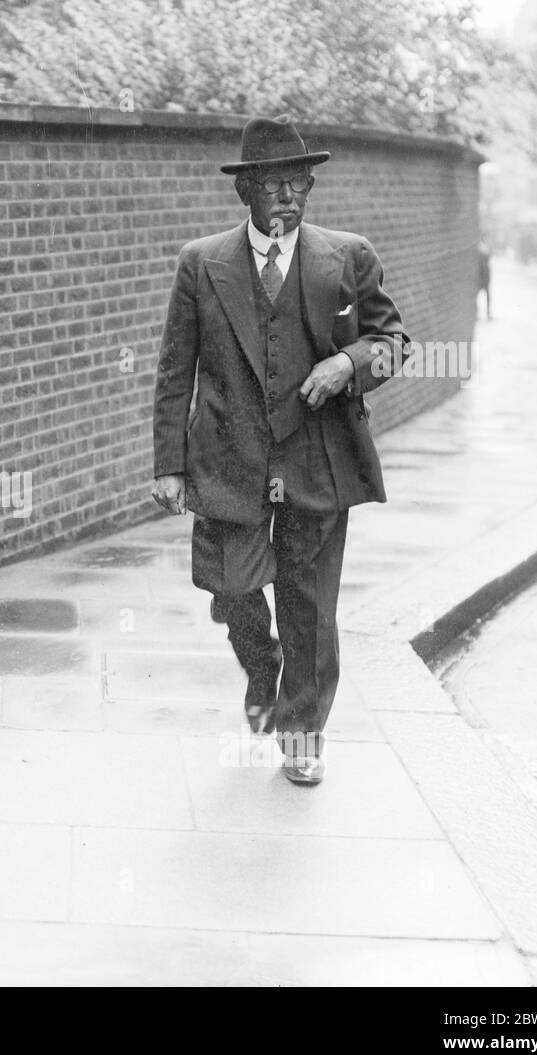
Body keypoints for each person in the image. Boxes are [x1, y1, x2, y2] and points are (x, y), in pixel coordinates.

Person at [151, 115, 405, 785]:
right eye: (272, 185)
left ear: (310, 187)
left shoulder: (347, 257)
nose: (286, 197)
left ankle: (301, 734)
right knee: (231, 586)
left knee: (310, 605)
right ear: (246, 194)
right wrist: (169, 464)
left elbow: (392, 341)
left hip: (317, 459)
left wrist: (349, 364)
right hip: (228, 459)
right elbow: (176, 369)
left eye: (297, 184)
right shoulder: (201, 264)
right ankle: (261, 665)